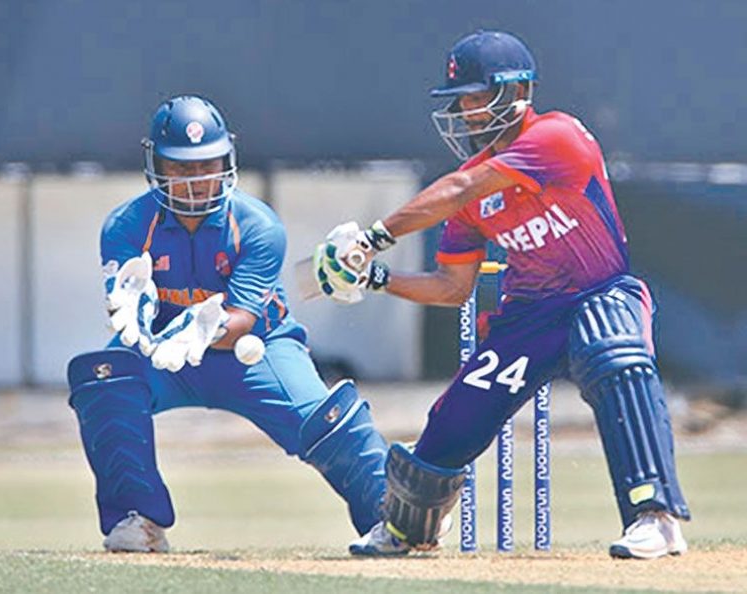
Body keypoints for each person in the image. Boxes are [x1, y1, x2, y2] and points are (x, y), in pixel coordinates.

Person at [311, 30, 690, 560]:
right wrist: (376, 278)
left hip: (601, 291)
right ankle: (409, 528)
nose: (466, 112)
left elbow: (461, 188)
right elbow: (452, 288)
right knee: (454, 419)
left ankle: (656, 517)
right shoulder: (469, 190)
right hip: (529, 318)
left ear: (516, 92)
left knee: (615, 356)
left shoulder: (556, 137)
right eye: (460, 101)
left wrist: (374, 239)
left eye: (475, 97)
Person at [67, 95, 387, 552]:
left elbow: (243, 320)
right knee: (103, 378)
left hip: (256, 351)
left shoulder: (258, 226)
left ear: (227, 160)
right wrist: (135, 315)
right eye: (181, 167)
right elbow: (124, 301)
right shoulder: (125, 225)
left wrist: (200, 330)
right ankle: (137, 520)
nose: (197, 180)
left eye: (207, 165)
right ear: (156, 166)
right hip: (162, 353)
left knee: (327, 420)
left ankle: (393, 514)